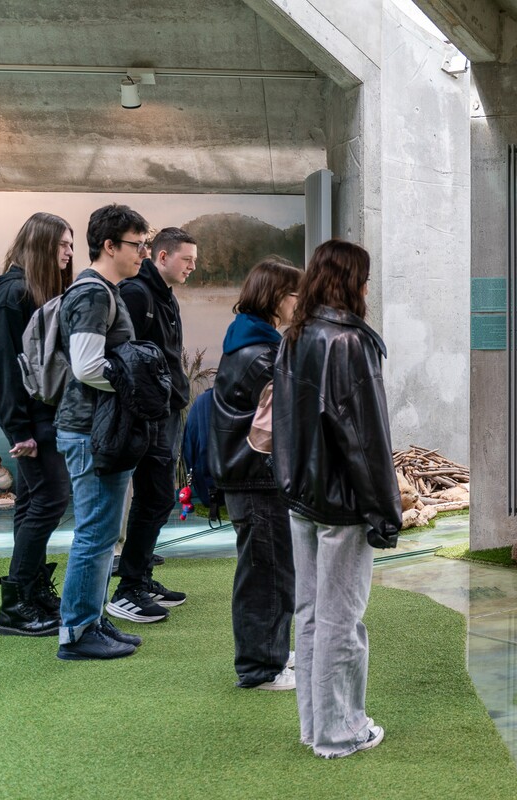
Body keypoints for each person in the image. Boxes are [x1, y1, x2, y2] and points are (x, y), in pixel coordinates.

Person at [273, 240, 401, 757]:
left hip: (301, 496)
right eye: (364, 278)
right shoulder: (350, 342)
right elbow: (366, 439)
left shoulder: (295, 335)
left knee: (310, 614)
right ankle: (340, 731)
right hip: (343, 503)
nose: (368, 287)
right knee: (340, 619)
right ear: (353, 282)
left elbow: (284, 424)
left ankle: (316, 726)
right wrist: (385, 510)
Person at [55, 203, 151, 660]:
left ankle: (90, 619)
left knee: (102, 532)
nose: (143, 253)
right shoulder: (93, 293)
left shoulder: (102, 290)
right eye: (137, 245)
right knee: (95, 533)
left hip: (99, 429)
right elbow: (87, 365)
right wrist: (137, 383)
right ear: (109, 246)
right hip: (90, 431)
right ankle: (76, 631)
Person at [210, 256, 301, 691]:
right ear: (277, 296)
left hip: (250, 477)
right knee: (266, 574)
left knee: (270, 569)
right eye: (297, 294)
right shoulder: (262, 356)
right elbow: (278, 426)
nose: (301, 302)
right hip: (256, 479)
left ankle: (271, 651)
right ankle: (260, 667)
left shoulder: (249, 342)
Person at [0, 212, 74, 636]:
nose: (69, 252)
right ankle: (15, 603)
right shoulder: (12, 293)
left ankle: (32, 591)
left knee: (34, 501)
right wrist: (19, 430)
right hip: (31, 420)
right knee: (51, 499)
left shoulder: (33, 290)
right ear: (41, 245)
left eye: (71, 244)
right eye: (63, 244)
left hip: (43, 414)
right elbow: (0, 366)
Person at [105, 227, 196, 623]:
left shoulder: (165, 295)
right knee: (153, 496)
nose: (192, 267)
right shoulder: (136, 293)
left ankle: (139, 578)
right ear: (162, 256)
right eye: (187, 259)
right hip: (149, 416)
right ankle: (128, 589)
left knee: (158, 497)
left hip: (167, 411)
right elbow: (123, 357)